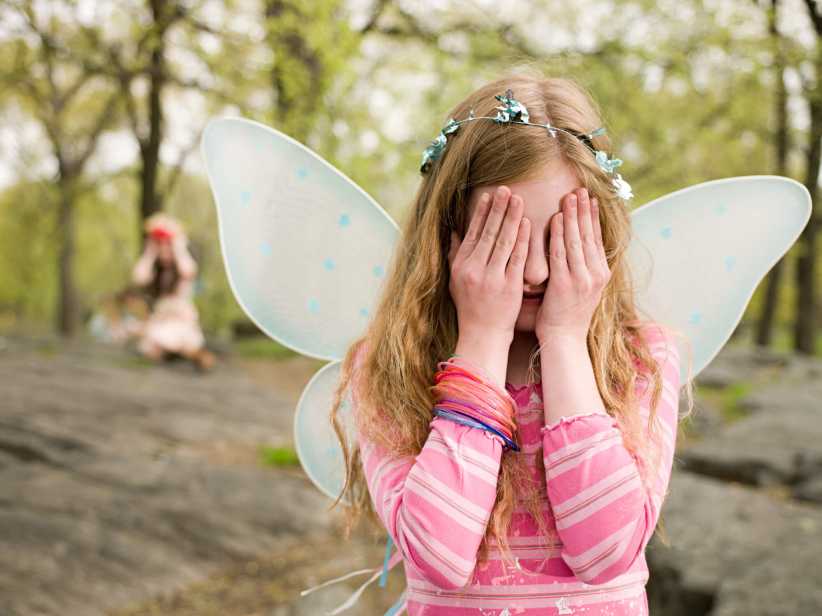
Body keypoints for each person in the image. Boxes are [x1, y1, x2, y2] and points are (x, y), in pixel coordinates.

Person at [329, 72, 694, 615]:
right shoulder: (391, 365)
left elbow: (606, 553)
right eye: (505, 240)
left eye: (561, 238)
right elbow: (440, 556)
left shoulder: (641, 358)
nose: (538, 271)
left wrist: (565, 338)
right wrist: (483, 337)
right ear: (447, 236)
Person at [131, 213, 215, 371]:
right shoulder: (156, 270)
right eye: (160, 244)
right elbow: (139, 277)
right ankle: (179, 355)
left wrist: (178, 245)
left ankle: (185, 354)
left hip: (181, 320)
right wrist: (150, 251)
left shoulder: (183, 266)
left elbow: (188, 271)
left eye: (167, 244)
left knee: (172, 339)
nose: (164, 249)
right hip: (161, 320)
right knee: (151, 344)